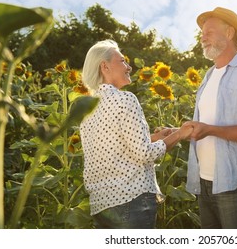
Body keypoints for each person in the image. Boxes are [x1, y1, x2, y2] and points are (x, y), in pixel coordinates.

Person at [79, 39, 192, 229]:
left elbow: (112, 146)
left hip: (101, 206)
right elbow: (145, 154)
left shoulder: (87, 110)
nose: (129, 66)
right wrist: (179, 134)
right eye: (122, 61)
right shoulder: (125, 99)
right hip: (130, 201)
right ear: (104, 66)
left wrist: (154, 138)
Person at [184, 7, 237, 229]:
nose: (202, 37)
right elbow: (204, 124)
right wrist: (184, 131)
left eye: (210, 31)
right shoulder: (208, 77)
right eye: (202, 33)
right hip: (203, 181)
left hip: (234, 184)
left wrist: (210, 130)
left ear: (230, 33)